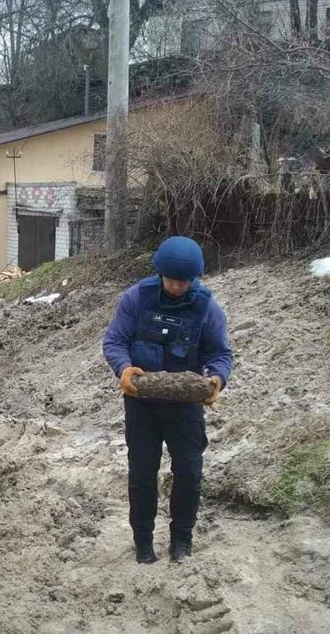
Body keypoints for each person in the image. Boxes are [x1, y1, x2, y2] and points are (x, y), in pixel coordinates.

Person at [102, 236, 233, 564]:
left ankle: (181, 541)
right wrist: (124, 368)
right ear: (160, 273)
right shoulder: (136, 299)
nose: (176, 286)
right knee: (142, 472)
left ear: (194, 279)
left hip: (185, 407)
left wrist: (216, 378)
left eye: (183, 281)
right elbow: (115, 340)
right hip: (142, 404)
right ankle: (143, 542)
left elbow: (220, 353)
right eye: (171, 279)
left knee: (189, 471)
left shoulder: (206, 308)